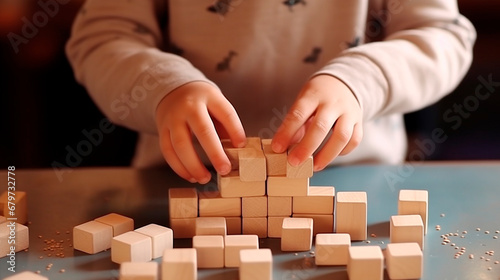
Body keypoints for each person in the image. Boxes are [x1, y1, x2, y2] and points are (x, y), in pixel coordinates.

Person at [66, 0, 476, 184]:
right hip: (184, 182)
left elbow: (443, 36)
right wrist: (163, 87)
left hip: (356, 179)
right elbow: (103, 37)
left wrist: (361, 80)